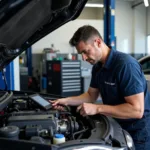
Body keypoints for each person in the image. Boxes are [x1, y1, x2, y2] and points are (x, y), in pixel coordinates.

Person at [50, 25, 150, 149]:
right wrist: (66, 101)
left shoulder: (125, 65)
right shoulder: (98, 67)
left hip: (137, 134)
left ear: (98, 42)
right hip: (117, 126)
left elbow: (136, 110)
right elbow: (91, 96)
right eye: (81, 53)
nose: (84, 58)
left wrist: (97, 108)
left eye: (85, 51)